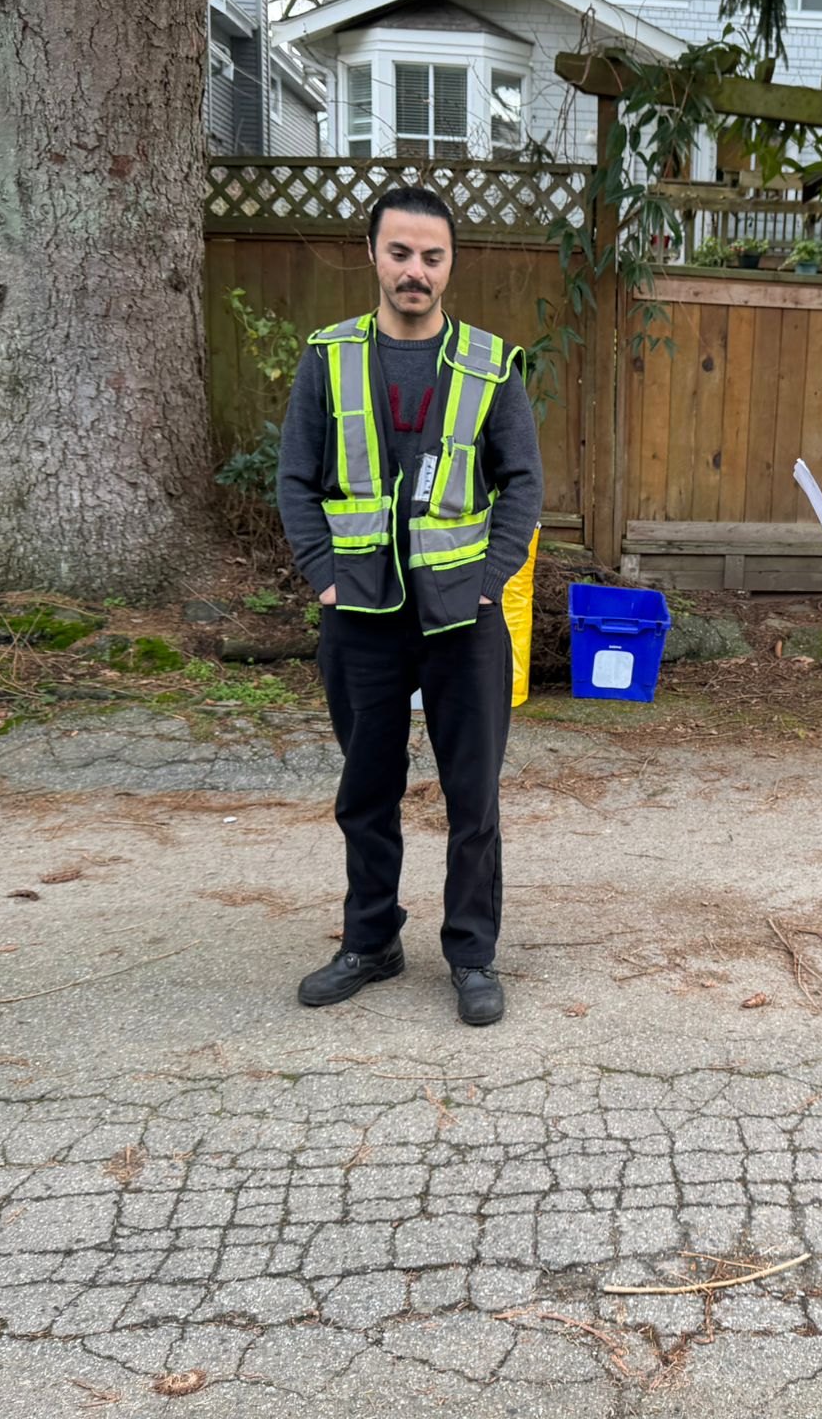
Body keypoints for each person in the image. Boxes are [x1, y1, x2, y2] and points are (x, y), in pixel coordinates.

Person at [278, 186, 543, 1027]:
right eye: (401, 253)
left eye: (431, 256)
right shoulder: (329, 358)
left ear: (450, 263)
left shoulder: (490, 364)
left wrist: (489, 577)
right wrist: (322, 574)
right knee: (366, 789)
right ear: (373, 255)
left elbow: (522, 486)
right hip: (358, 616)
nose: (415, 271)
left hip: (463, 620)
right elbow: (295, 478)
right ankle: (371, 941)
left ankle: (471, 954)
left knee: (473, 796)